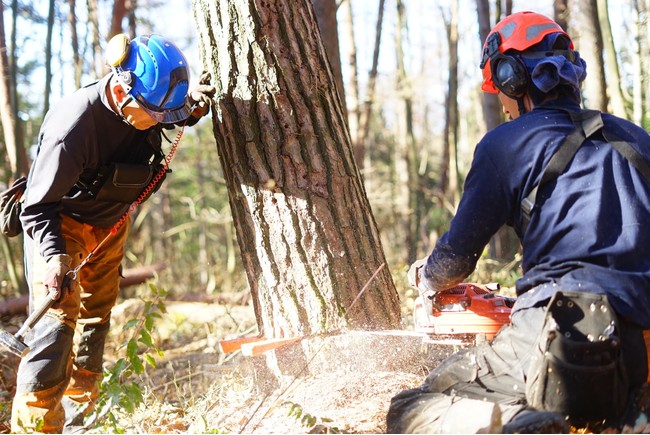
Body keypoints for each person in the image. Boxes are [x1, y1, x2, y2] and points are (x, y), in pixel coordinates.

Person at [386, 11, 650, 434]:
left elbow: (456, 257)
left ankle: (521, 423)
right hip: (638, 346)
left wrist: (429, 280)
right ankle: (627, 418)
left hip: (560, 334)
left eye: (500, 90)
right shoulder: (637, 140)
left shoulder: (505, 145)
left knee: (410, 407)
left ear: (513, 78)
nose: (502, 104)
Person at [11, 34, 215, 433]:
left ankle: (80, 416)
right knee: (56, 324)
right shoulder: (74, 128)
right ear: (122, 88)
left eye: (164, 114)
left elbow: (171, 113)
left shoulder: (152, 105)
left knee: (95, 319)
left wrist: (189, 110)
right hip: (59, 224)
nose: (158, 121)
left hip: (109, 225)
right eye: (153, 113)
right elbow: (36, 206)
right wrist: (55, 256)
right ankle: (36, 426)